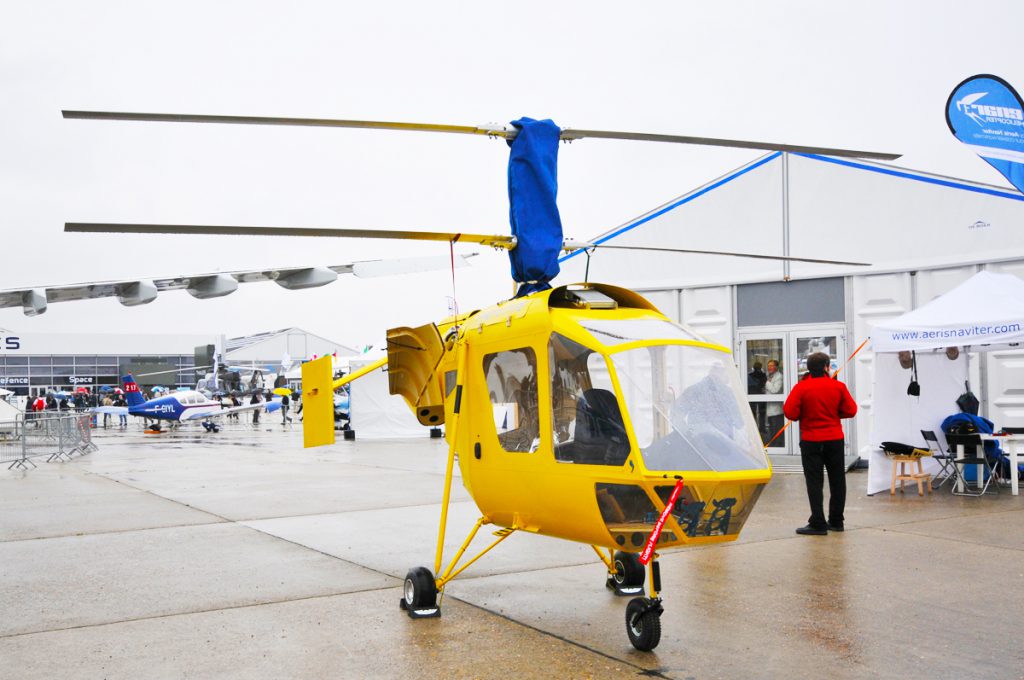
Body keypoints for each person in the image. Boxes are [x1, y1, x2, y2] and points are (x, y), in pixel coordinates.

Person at [783, 352, 858, 536]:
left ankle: (818, 522)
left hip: (811, 441)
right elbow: (851, 410)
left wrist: (805, 414)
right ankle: (836, 521)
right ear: (826, 366)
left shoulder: (801, 388)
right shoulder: (838, 386)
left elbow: (790, 413)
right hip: (834, 439)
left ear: (809, 368)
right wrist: (834, 414)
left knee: (814, 482)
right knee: (837, 480)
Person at [764, 359, 785, 444]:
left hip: (777, 410)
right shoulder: (770, 376)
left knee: (777, 430)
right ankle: (773, 444)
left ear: (776, 367)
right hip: (771, 409)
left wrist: (767, 383)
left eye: (771, 365)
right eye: (768, 366)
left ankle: (778, 446)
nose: (769, 367)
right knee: (772, 429)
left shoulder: (779, 376)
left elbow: (775, 390)